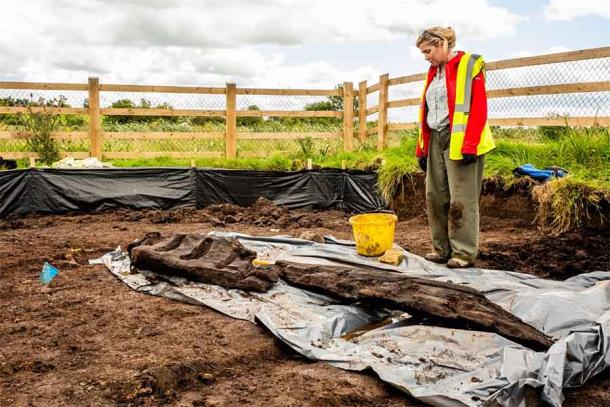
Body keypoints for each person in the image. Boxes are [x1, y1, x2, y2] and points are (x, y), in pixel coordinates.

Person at [414, 26, 495, 268]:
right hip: (436, 139)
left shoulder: (470, 64)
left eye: (428, 51)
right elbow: (426, 112)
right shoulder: (433, 73)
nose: (425, 56)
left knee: (462, 199)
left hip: (461, 140)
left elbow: (479, 107)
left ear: (441, 44)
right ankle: (441, 249)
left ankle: (462, 253)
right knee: (434, 195)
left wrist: (470, 144)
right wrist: (422, 149)